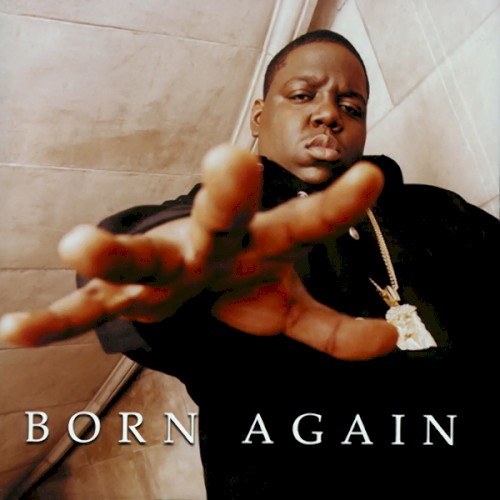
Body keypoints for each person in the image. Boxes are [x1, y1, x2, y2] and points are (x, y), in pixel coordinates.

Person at [1, 30, 498, 497]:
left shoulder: (432, 210)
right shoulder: (230, 226)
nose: (329, 114)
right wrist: (169, 270)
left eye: (352, 107)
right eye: (302, 95)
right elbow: (161, 251)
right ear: (259, 116)